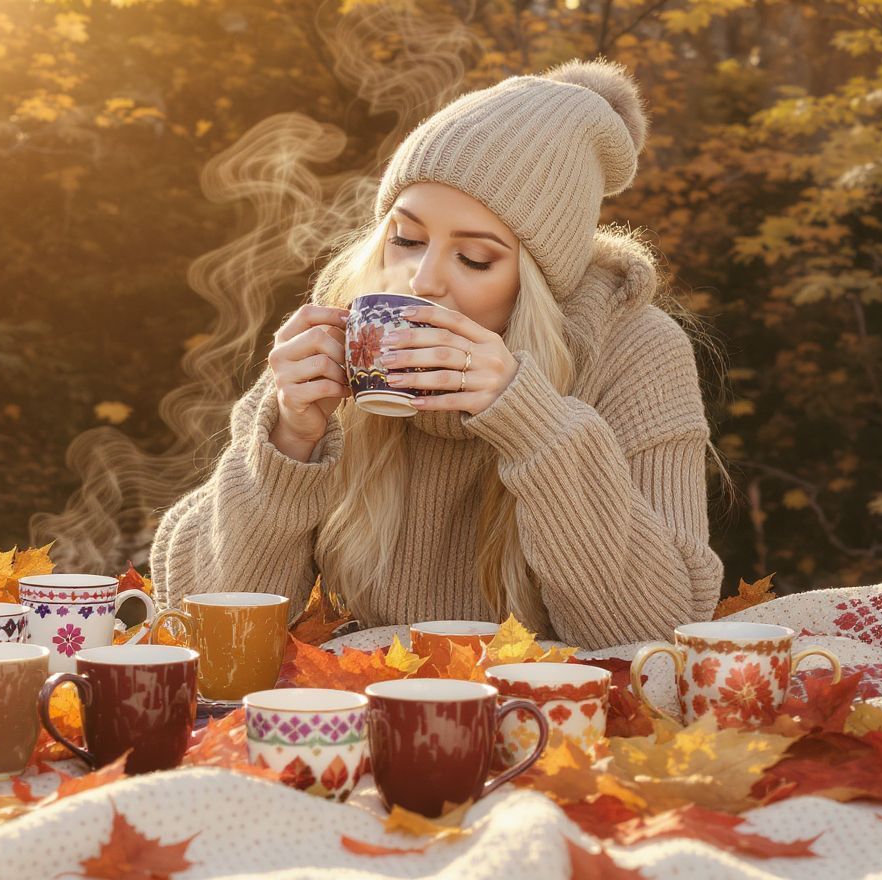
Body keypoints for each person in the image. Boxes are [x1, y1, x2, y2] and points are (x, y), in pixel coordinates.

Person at [149, 58, 725, 650]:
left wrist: (534, 423)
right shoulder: (340, 335)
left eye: (474, 258)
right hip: (364, 712)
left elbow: (656, 643)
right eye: (406, 238)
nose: (421, 280)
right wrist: (287, 441)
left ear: (538, 286)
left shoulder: (634, 351)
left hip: (553, 720)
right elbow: (206, 636)